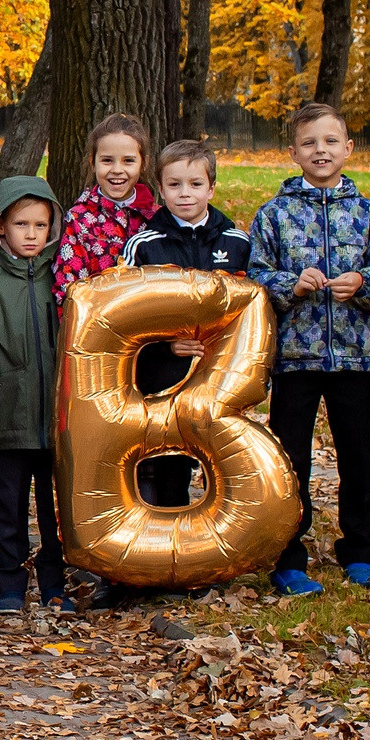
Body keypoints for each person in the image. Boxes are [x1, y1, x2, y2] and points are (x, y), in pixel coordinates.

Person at [249, 101, 370, 593]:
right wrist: (291, 284)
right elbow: (255, 277)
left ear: (349, 149)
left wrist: (362, 282)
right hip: (295, 358)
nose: (321, 151)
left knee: (358, 454)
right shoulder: (275, 214)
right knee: (291, 459)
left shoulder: (369, 215)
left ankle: (359, 550)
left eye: (331, 142)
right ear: (293, 152)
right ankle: (289, 554)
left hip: (354, 355)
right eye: (310, 143)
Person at [119, 140, 252, 514]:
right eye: (174, 185)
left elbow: (251, 312)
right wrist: (165, 346)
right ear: (160, 189)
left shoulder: (238, 243)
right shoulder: (143, 246)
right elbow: (129, 317)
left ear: (211, 188)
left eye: (195, 184)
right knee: (169, 464)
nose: (185, 193)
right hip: (164, 379)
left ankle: (220, 556)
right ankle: (171, 549)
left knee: (222, 464)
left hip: (223, 380)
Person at [0, 177, 68, 615]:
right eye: (20, 224)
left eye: (40, 225)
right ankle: (9, 581)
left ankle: (54, 581)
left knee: (54, 507)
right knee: (8, 506)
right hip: (8, 420)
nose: (30, 234)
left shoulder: (63, 281)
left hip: (57, 422)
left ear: (52, 228)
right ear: (1, 226)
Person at [52, 114, 157, 303]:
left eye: (128, 161)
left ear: (144, 163)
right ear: (93, 162)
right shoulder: (78, 219)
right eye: (107, 160)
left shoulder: (156, 218)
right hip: (98, 324)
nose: (117, 169)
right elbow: (68, 287)